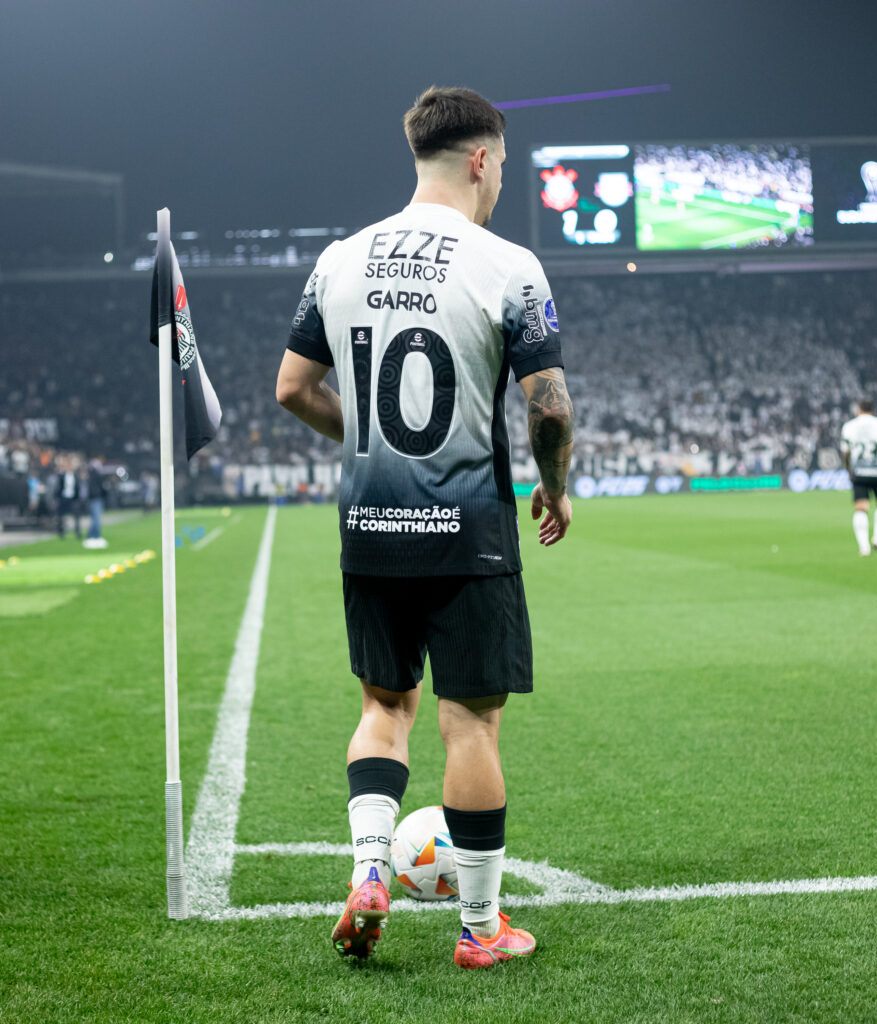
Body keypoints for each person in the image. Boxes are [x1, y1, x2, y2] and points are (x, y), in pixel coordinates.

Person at [276, 86, 574, 968]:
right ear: (480, 158)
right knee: (470, 726)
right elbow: (548, 410)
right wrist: (555, 487)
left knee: (383, 706)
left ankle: (370, 868)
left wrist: (365, 436)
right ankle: (481, 931)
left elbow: (292, 388)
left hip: (368, 523)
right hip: (468, 530)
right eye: (503, 165)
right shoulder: (507, 264)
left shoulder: (339, 258)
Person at [840, 399, 877, 555]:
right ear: (872, 409)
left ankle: (864, 547)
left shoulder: (849, 426)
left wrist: (848, 471)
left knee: (860, 508)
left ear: (858, 410)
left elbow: (845, 452)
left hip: (859, 471)